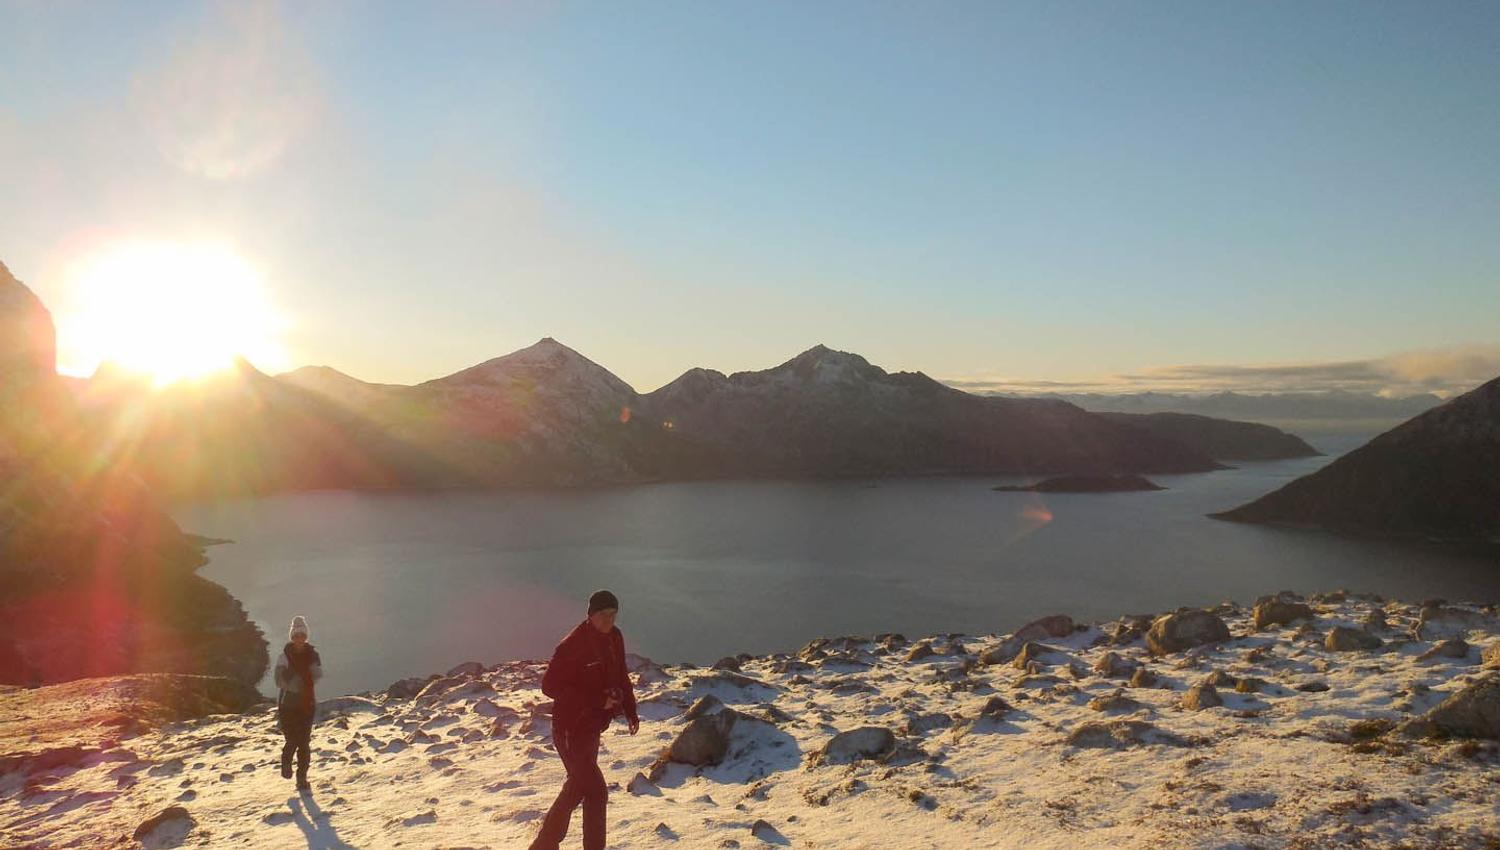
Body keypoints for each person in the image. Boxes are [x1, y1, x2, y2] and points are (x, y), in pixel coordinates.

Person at [529, 590, 641, 850]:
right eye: (603, 615)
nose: (609, 621)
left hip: (591, 728)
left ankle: (545, 844)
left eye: (613, 615)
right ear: (590, 615)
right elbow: (550, 686)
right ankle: (544, 844)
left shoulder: (614, 638)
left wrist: (630, 709)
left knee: (582, 787)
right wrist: (596, 700)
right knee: (594, 790)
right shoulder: (572, 645)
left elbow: (621, 674)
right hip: (569, 728)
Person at [274, 615, 322, 792]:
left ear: (305, 636)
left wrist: (304, 679)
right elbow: (279, 679)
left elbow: (318, 674)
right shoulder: (284, 657)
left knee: (304, 742)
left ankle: (302, 778)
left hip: (306, 703)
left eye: (302, 635)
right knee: (292, 739)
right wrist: (296, 682)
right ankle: (286, 764)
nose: (299, 639)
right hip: (288, 704)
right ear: (291, 637)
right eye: (296, 636)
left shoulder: (313, 655)